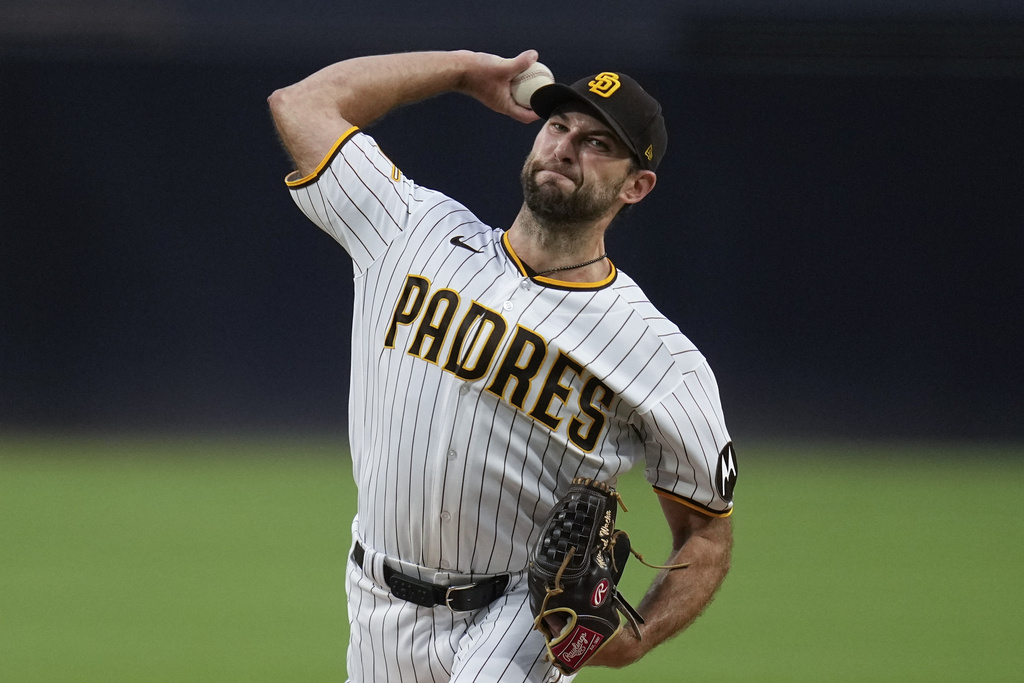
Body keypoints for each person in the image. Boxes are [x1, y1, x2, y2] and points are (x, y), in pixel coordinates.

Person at [268, 49, 736, 683]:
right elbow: (301, 104)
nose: (567, 147)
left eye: (598, 142)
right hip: (375, 600)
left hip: (522, 616)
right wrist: (461, 71)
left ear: (636, 185)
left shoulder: (659, 357)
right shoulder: (411, 229)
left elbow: (705, 533)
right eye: (558, 126)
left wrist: (637, 638)